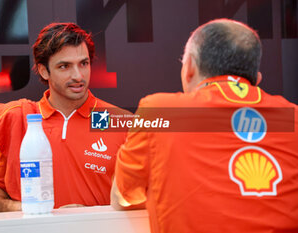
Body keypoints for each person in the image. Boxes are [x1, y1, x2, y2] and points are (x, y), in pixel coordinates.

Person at [111, 18, 298, 233]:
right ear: (257, 78)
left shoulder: (160, 110)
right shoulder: (293, 118)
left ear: (189, 67)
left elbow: (122, 196)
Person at [0, 22, 127, 212]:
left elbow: (144, 194)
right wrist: (34, 210)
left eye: (84, 63)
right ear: (43, 70)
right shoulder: (23, 118)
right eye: (64, 66)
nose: (78, 76)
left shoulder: (120, 121)